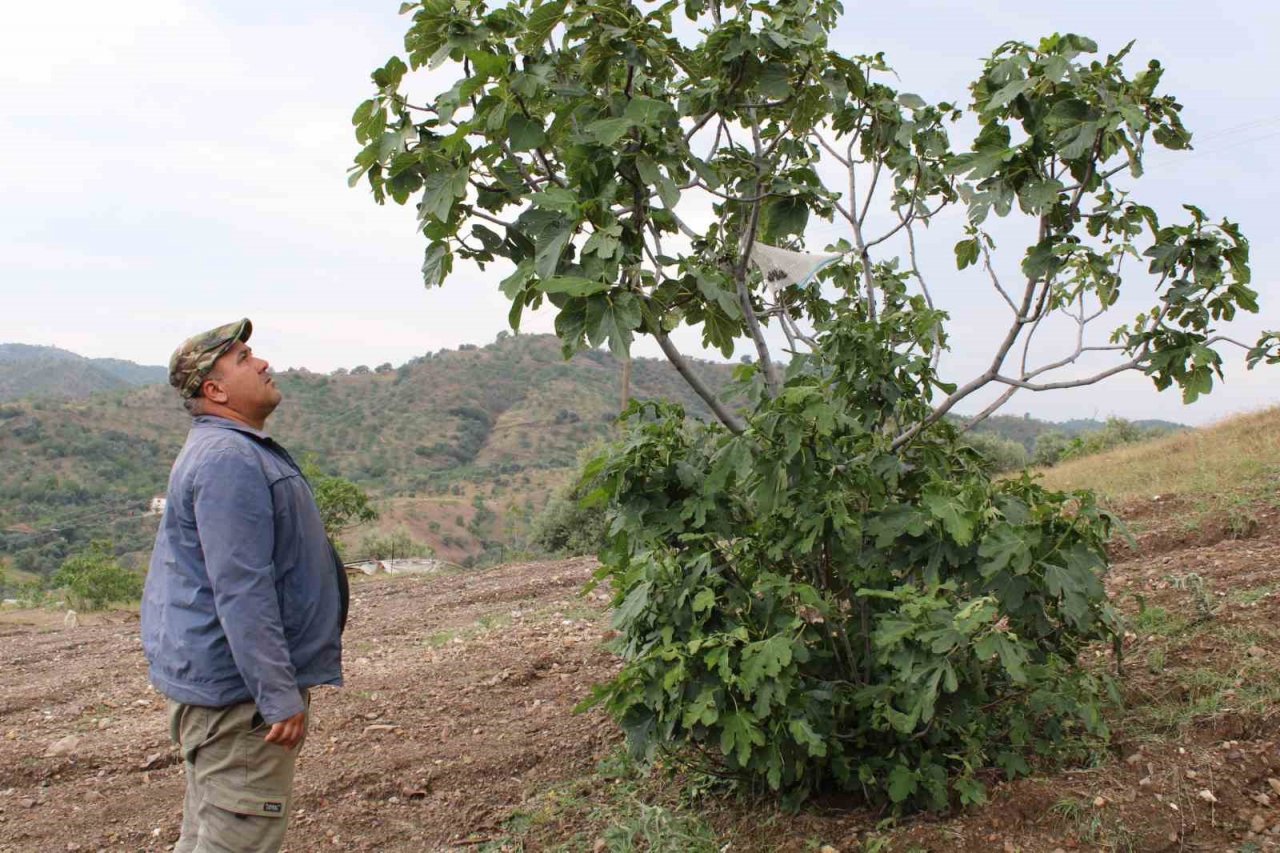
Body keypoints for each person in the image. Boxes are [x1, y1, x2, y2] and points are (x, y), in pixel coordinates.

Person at [141, 318, 346, 852]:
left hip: (225, 689)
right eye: (242, 358)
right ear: (215, 388)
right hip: (240, 699)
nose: (262, 363)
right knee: (237, 839)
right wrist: (277, 695)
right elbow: (241, 589)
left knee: (207, 835)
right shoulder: (229, 458)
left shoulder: (232, 449)